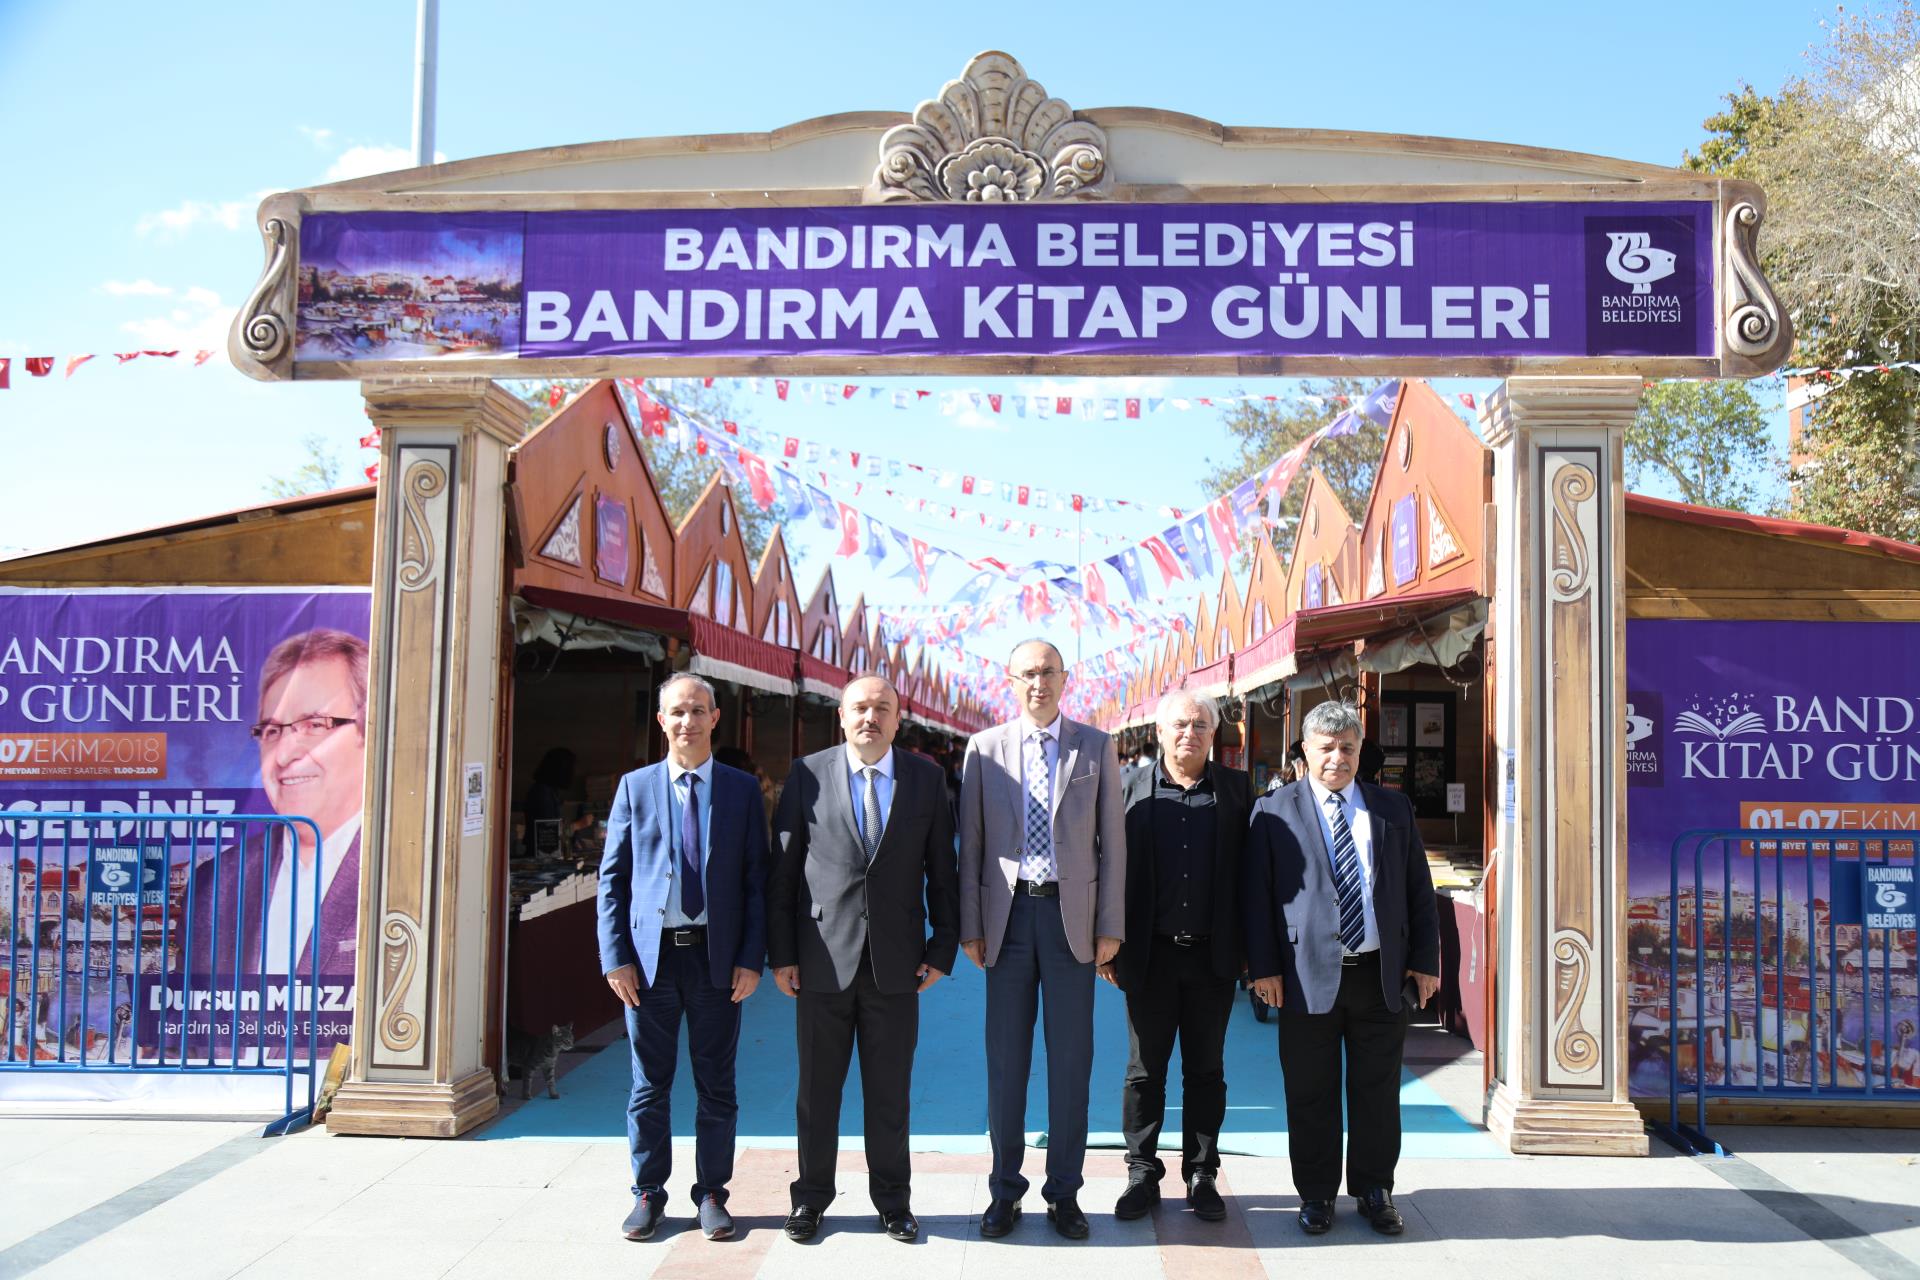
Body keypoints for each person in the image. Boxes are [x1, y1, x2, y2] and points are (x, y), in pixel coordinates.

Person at [768, 674, 960, 1244]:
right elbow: (784, 871)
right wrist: (782, 954)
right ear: (842, 716)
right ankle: (810, 1199)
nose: (870, 717)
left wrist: (942, 948)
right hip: (821, 959)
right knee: (816, 1093)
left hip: (898, 964)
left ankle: (893, 1202)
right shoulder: (807, 774)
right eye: (860, 708)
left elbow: (942, 871)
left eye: (882, 708)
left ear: (899, 720)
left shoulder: (925, 778)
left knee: (889, 1093)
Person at [1243, 700, 1440, 1238]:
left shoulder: (1393, 809)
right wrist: (1263, 969)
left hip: (1380, 976)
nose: (1338, 757)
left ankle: (1375, 1190)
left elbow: (1418, 890)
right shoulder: (1273, 810)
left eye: (1347, 747)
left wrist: (1425, 961)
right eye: (1326, 747)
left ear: (1359, 751)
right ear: (1306, 751)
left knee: (1378, 1091)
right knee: (1311, 1090)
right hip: (1304, 977)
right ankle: (1316, 1194)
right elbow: (1256, 897)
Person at [959, 638, 1126, 1240]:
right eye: (1027, 673)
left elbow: (1112, 842)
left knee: (1071, 1063)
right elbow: (972, 844)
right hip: (1007, 921)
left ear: (1065, 678)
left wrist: (1110, 923)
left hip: (1069, 921)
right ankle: (1004, 1191)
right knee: (1006, 1063)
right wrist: (971, 925)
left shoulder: (1095, 746)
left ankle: (1065, 1193)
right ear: (1011, 681)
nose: (1039, 683)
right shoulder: (984, 749)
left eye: (1048, 672)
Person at [597, 673, 767, 1244]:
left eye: (698, 711)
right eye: (677, 711)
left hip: (717, 961)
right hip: (651, 963)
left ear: (715, 718)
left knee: (717, 1083)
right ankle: (648, 1192)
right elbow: (613, 880)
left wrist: (751, 957)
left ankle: (712, 1193)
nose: (688, 721)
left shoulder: (742, 790)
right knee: (650, 1084)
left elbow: (756, 881)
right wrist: (615, 957)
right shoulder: (635, 787)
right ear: (661, 721)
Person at [1103, 691, 1251, 1224]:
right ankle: (1141, 1172)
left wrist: (1252, 952)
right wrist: (1105, 940)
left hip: (1213, 957)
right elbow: (1105, 867)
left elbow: (1252, 873)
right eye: (1180, 724)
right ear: (1159, 732)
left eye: (1200, 724)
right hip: (1149, 956)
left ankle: (1202, 1173)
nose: (1190, 733)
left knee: (1207, 1070)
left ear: (1214, 733)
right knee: (1144, 1072)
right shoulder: (1127, 789)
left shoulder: (1237, 790)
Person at [189, 627, 367, 986]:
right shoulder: (219, 881)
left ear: (368, 733)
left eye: (315, 725)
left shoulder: (403, 870)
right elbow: (190, 1014)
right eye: (272, 731)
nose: (284, 755)